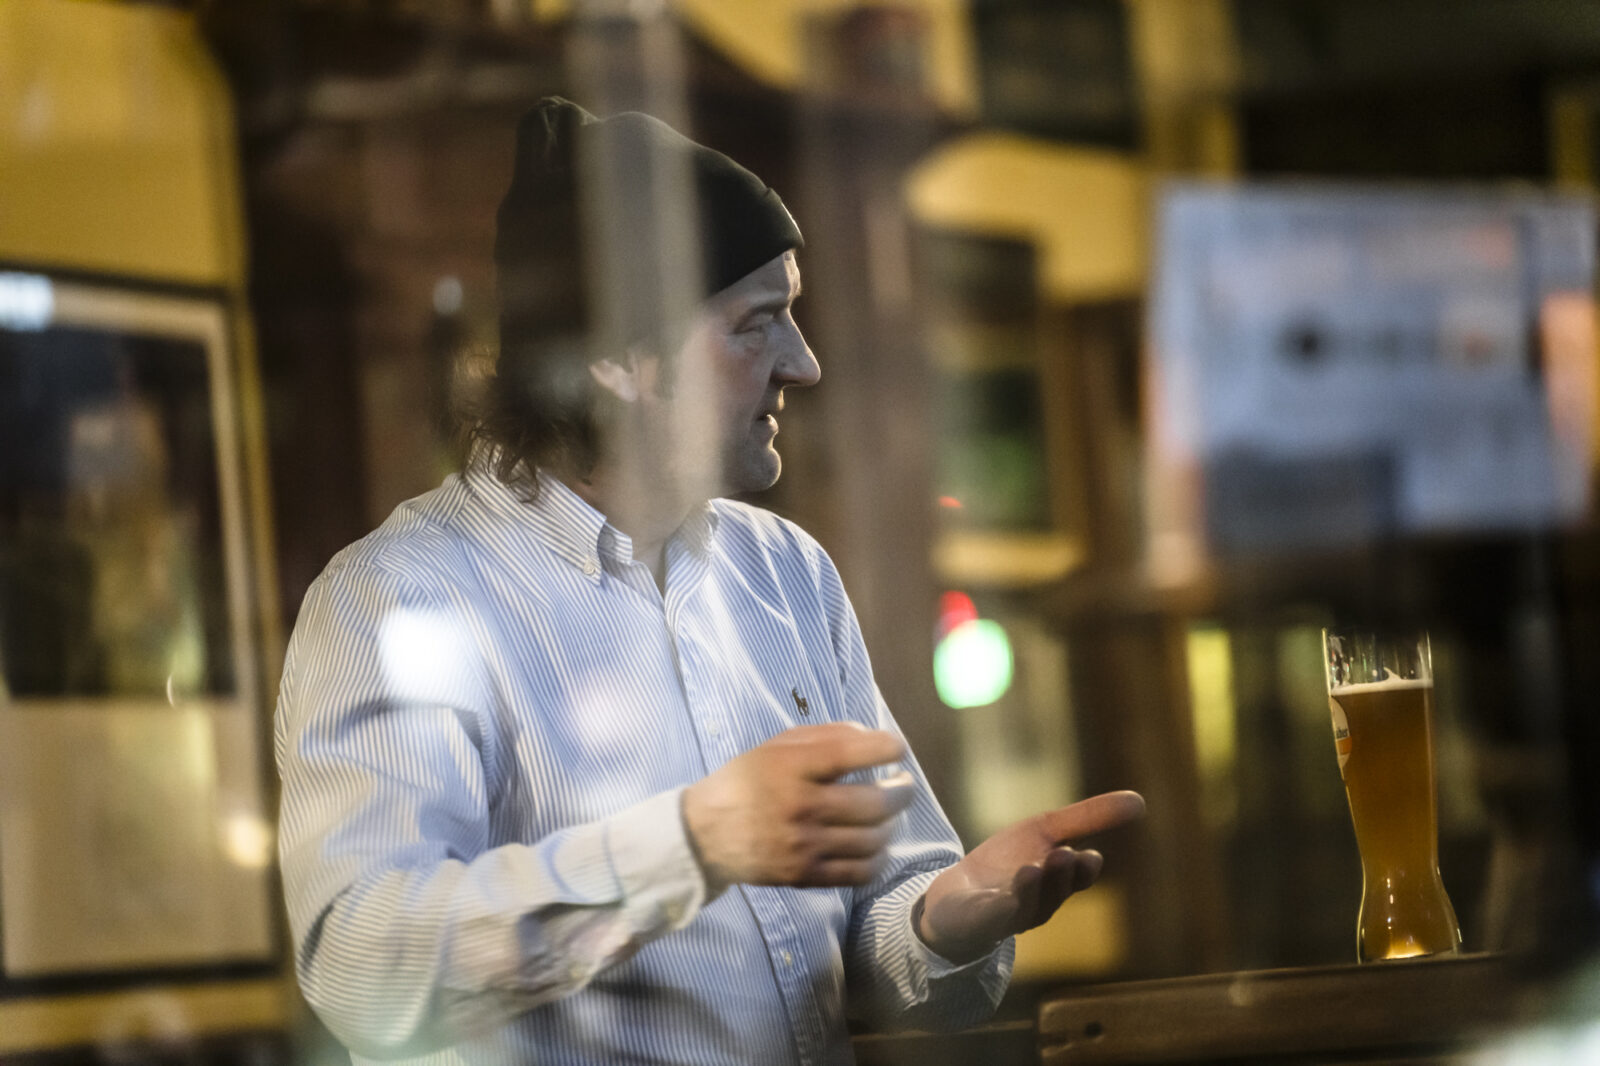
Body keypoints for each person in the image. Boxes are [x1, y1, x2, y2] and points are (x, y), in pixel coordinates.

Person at [275, 97, 1144, 1066]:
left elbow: (864, 953)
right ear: (615, 360)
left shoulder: (785, 569)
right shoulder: (398, 596)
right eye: (757, 323)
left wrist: (954, 912)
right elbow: (361, 969)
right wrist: (689, 844)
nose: (801, 363)